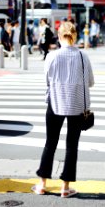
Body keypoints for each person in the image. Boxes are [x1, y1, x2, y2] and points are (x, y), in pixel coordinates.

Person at [32, 21, 94, 197]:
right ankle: (65, 188)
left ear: (59, 37)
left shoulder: (52, 56)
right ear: (74, 37)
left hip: (55, 103)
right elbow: (90, 82)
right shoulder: (83, 56)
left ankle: (42, 184)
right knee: (72, 145)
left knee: (50, 143)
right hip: (76, 105)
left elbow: (47, 81)